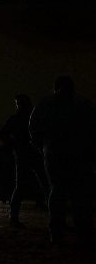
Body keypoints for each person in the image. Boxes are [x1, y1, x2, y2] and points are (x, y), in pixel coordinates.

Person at [29, 76, 96, 245]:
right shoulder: (83, 104)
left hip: (54, 153)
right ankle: (83, 230)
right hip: (80, 155)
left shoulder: (44, 104)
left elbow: (33, 129)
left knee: (57, 191)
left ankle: (56, 231)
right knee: (80, 194)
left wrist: (43, 147)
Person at [0, 94, 48, 228]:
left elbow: (2, 134)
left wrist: (14, 145)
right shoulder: (35, 117)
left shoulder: (15, 119)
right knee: (45, 183)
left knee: (20, 185)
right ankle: (54, 214)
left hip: (22, 153)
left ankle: (14, 216)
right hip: (35, 153)